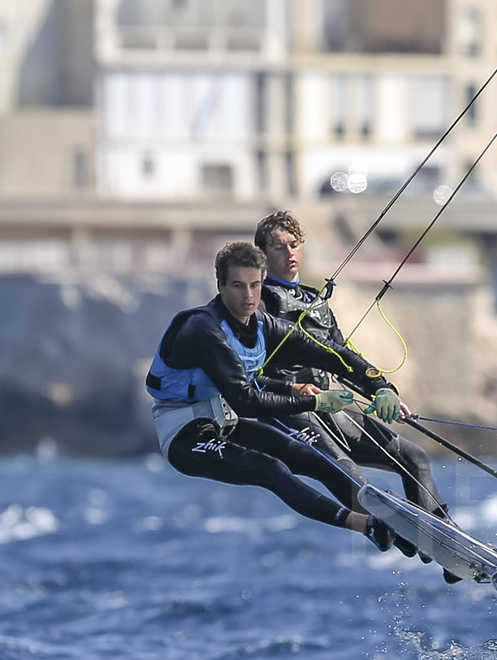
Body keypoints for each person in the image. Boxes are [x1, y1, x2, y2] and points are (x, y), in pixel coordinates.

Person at [145, 240, 404, 551]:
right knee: (269, 469)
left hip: (223, 419)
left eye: (255, 285)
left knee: (312, 458)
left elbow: (331, 354)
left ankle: (396, 529)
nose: (248, 296)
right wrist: (315, 402)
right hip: (183, 435)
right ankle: (366, 525)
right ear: (221, 285)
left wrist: (382, 386)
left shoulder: (264, 325)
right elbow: (244, 400)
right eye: (238, 286)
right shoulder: (203, 329)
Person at [254, 210, 448, 520]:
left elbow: (343, 358)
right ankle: (403, 535)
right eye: (279, 247)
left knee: (415, 458)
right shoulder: (258, 304)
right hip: (292, 411)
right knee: (356, 483)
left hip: (330, 408)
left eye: (294, 244)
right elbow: (246, 377)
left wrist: (382, 392)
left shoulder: (315, 301)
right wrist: (290, 389)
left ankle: (448, 548)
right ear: (262, 255)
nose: (290, 253)